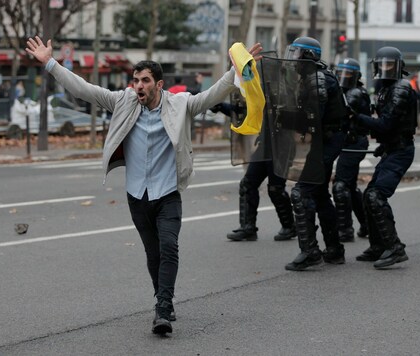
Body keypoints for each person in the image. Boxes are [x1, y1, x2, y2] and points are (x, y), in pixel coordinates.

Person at [25, 35, 263, 335]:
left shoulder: (180, 104)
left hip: (168, 193)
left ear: (158, 85)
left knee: (169, 247)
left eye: (145, 80)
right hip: (137, 194)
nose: (138, 85)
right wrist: (50, 63)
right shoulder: (122, 101)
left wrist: (238, 68)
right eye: (135, 80)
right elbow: (84, 90)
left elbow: (213, 95)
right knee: (153, 254)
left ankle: (163, 308)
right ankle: (162, 297)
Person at [278, 36, 346, 271]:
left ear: (307, 56)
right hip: (325, 142)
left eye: (296, 54)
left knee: (300, 192)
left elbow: (312, 117)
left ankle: (310, 252)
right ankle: (335, 249)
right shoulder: (312, 77)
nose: (293, 59)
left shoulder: (317, 78)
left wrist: (284, 117)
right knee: (318, 195)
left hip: (327, 143)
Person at [352, 46, 418, 269]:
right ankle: (378, 246)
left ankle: (395, 248)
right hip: (392, 149)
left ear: (398, 66)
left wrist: (357, 118)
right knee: (369, 195)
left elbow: (386, 124)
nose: (384, 68)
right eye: (381, 64)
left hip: (401, 151)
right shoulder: (385, 88)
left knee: (376, 195)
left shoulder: (401, 88)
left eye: (389, 64)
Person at [210, 101, 297, 242]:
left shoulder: (282, 87)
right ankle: (247, 228)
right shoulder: (258, 87)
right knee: (248, 184)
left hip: (282, 145)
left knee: (275, 189)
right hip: (264, 145)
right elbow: (246, 110)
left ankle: (289, 226)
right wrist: (221, 106)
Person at [332, 57, 370, 242]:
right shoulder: (342, 91)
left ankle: (345, 230)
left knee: (340, 186)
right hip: (345, 142)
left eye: (348, 74)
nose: (344, 77)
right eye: (341, 73)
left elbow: (344, 106)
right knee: (350, 186)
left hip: (355, 143)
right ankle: (367, 224)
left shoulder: (356, 92)